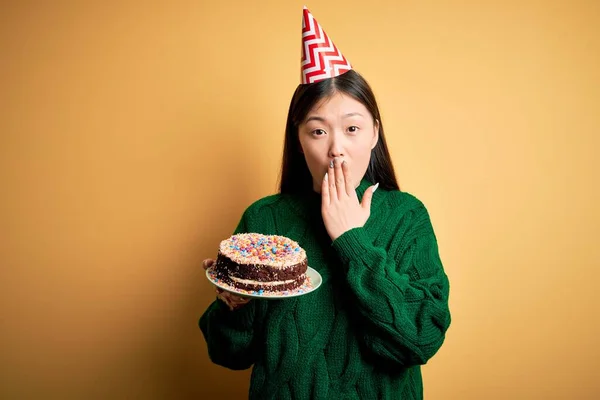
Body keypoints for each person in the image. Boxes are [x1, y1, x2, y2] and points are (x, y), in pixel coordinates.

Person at [199, 7, 451, 399]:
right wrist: (236, 305)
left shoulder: (406, 216)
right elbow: (228, 354)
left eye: (352, 128)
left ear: (374, 134)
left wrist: (351, 239)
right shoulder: (265, 218)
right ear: (299, 140)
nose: (337, 150)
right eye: (318, 131)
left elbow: (420, 339)